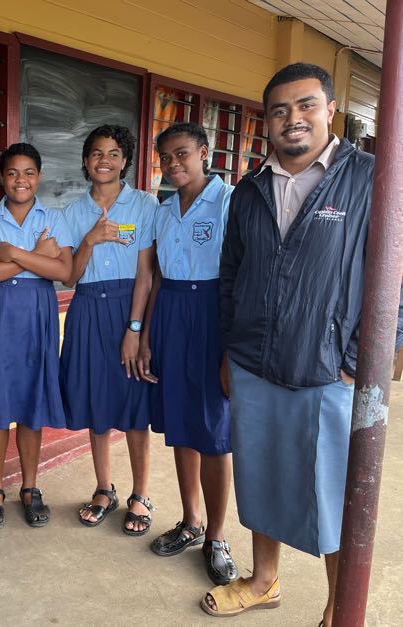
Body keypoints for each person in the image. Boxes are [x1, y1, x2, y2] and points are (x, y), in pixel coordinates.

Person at [201, 63, 394, 625]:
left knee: (331, 494)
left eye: (306, 105)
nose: (293, 119)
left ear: (329, 110)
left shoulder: (370, 178)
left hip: (328, 368)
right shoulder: (251, 188)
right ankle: (264, 580)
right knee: (259, 478)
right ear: (267, 121)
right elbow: (231, 275)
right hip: (254, 363)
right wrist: (230, 352)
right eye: (280, 110)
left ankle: (340, 608)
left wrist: (360, 361)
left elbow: (395, 278)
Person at [139, 123, 238, 586]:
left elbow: (243, 273)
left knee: (213, 429)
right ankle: (190, 520)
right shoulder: (162, 210)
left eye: (182, 154)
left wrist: (232, 347)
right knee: (181, 424)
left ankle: (217, 536)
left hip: (213, 310)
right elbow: (157, 276)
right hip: (172, 312)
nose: (173, 164)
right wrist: (145, 334)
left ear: (203, 152)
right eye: (166, 158)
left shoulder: (230, 201)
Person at [60, 124, 158, 533]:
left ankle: (140, 493)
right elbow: (69, 276)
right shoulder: (71, 212)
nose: (105, 160)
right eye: (97, 153)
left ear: (125, 161)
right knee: (96, 404)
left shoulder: (144, 206)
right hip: (86, 310)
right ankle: (104, 488)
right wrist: (90, 240)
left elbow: (146, 275)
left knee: (134, 405)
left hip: (126, 309)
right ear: (86, 161)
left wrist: (134, 329)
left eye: (114, 153)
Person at [0, 142, 74, 529]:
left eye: (29, 172)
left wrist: (14, 253)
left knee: (33, 405)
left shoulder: (55, 216)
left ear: (39, 176)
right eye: (13, 172)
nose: (21, 180)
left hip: (38, 315)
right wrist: (37, 256)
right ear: (2, 177)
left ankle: (30, 488)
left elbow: (63, 272)